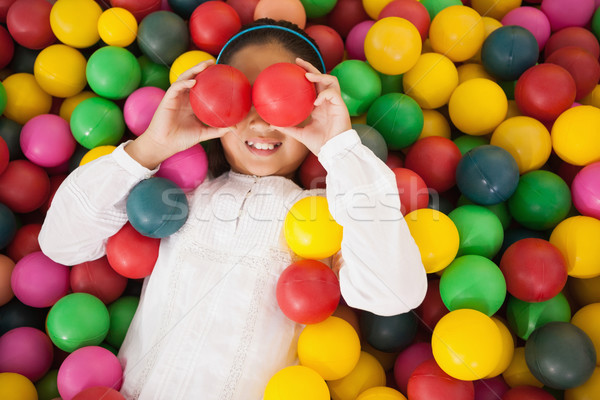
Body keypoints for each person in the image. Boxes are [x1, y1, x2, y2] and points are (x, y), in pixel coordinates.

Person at [39, 18, 427, 400]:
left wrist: (340, 148)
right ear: (211, 102)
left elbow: (394, 293)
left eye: (283, 98)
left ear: (313, 111)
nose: (263, 118)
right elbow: (61, 243)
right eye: (244, 96)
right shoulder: (174, 195)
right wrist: (150, 148)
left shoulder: (325, 215)